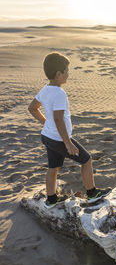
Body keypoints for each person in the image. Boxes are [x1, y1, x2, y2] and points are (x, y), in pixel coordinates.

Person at [28, 52, 111, 208]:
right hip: (59, 139)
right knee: (86, 160)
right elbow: (58, 119)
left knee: (53, 167)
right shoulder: (59, 93)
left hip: (47, 136)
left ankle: (51, 199)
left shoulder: (45, 89)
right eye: (66, 71)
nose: (68, 74)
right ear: (58, 74)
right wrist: (68, 144)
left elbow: (32, 108)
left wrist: (46, 123)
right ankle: (92, 194)